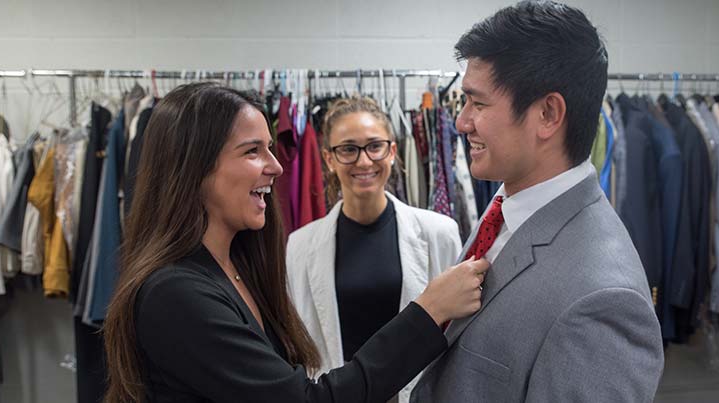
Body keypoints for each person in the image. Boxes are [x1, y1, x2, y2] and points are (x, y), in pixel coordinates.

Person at [102, 82, 489, 403]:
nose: (277, 165)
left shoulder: (239, 268)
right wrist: (429, 309)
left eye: (270, 147)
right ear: (195, 167)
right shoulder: (176, 293)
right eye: (253, 151)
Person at [410, 2, 664, 402]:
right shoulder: (507, 203)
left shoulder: (604, 301)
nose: (461, 122)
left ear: (547, 114)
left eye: (478, 103)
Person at [286, 97, 461, 403]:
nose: (364, 161)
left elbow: (455, 335)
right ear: (329, 159)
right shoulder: (300, 245)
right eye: (349, 149)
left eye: (374, 146)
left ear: (392, 151)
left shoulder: (439, 233)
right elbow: (298, 343)